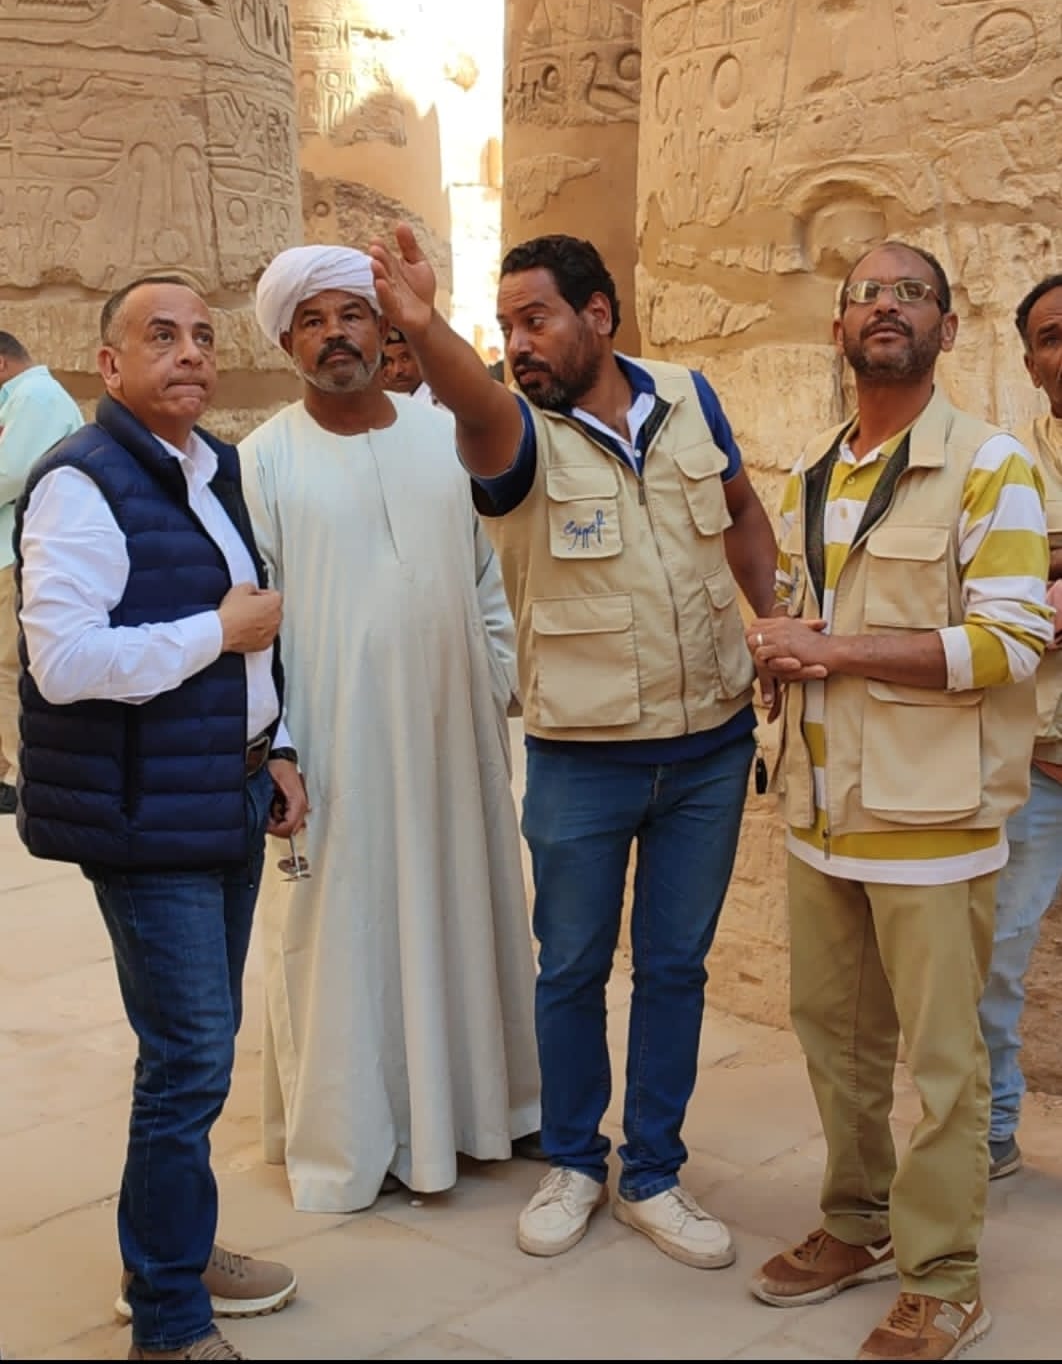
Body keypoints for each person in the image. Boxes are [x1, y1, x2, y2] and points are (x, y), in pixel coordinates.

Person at [368, 225, 779, 1271]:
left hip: (711, 748)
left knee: (675, 967)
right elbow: (471, 397)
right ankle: (572, 1163)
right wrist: (423, 325)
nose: (518, 343)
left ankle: (653, 1173)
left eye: (537, 318)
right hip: (582, 758)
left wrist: (774, 620)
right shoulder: (510, 433)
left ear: (598, 315)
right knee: (574, 969)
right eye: (506, 325)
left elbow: (740, 509)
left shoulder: (687, 395)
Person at [743, 241, 1051, 1361]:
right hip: (823, 812)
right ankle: (857, 1222)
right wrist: (779, 645)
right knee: (836, 1042)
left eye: (911, 294)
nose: (886, 306)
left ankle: (945, 1277)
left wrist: (839, 650)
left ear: (947, 330)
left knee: (944, 1064)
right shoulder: (811, 472)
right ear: (838, 329)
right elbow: (798, 605)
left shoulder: (990, 465)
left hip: (933, 818)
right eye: (866, 294)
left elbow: (1014, 642)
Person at [14, 275, 308, 1363]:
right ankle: (170, 1319)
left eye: (202, 337)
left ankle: (174, 1248)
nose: (190, 353)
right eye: (162, 336)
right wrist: (214, 634)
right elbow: (65, 661)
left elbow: (257, 632)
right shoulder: (79, 482)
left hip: (225, 790)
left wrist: (278, 748)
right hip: (148, 815)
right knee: (187, 1061)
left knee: (199, 1050)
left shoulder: (210, 467)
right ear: (110, 365)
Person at [242, 243, 541, 1214]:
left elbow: (487, 579)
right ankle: (351, 1139)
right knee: (341, 933)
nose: (336, 335)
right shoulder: (261, 461)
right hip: (333, 745)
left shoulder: (442, 435)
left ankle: (483, 1114)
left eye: (353, 315)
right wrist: (278, 745)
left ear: (383, 330)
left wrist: (487, 688)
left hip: (452, 736)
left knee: (463, 908)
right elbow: (254, 626)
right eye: (314, 320)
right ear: (288, 342)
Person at [978, 272, 1062, 1182]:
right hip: (1039, 764)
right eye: (1052, 336)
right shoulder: (1007, 468)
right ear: (1032, 363)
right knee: (996, 958)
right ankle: (993, 1127)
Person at [0, 332, 82, 810]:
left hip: (16, 555)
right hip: (12, 553)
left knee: (9, 666)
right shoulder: (24, 398)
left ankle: (20, 776)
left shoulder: (36, 395)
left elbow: (7, 472)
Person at [381, 323, 433, 402]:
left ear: (422, 358)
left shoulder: (442, 399)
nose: (397, 370)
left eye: (405, 359)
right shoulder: (394, 400)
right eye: (390, 361)